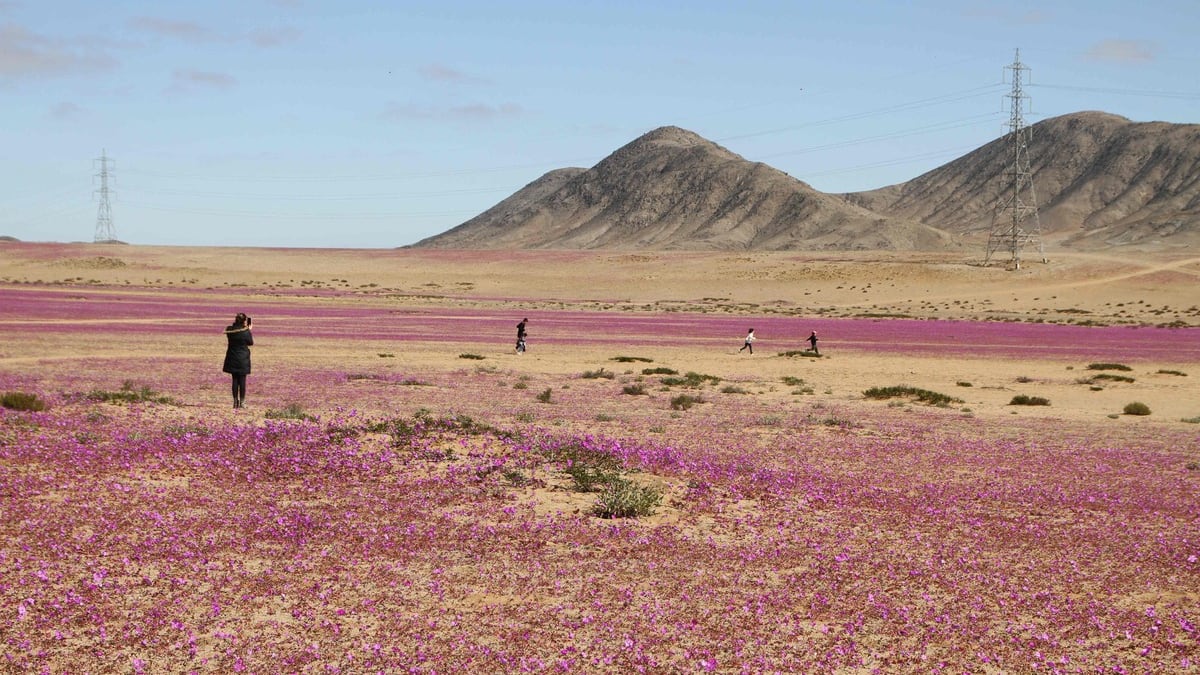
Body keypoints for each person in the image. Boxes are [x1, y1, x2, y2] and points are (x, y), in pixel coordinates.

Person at [223, 313, 253, 408]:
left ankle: (235, 402)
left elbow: (233, 334)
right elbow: (250, 342)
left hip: (232, 356)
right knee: (242, 380)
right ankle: (242, 403)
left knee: (235, 380)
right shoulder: (245, 331)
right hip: (243, 358)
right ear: (244, 321)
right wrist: (248, 330)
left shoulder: (230, 330)